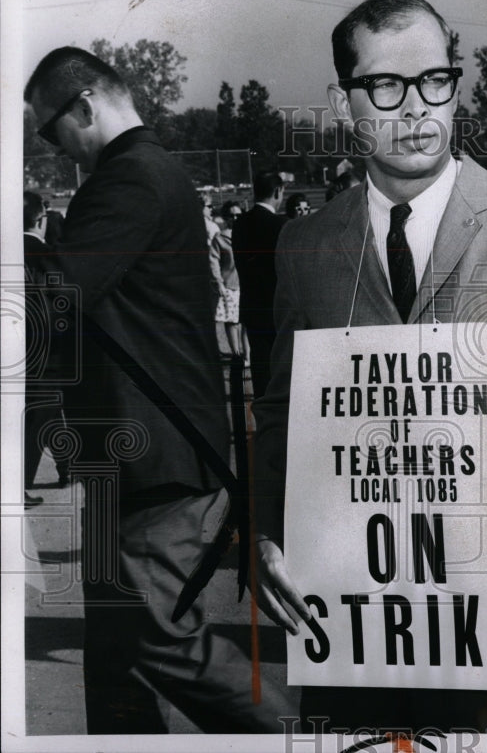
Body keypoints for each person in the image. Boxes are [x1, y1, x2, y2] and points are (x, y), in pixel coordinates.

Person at [252, 0, 487, 731]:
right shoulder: (304, 247)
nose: (416, 108)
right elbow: (279, 413)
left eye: (435, 81)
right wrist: (266, 530)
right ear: (343, 101)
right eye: (385, 87)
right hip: (350, 623)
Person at [24, 46, 294, 733]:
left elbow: (56, 298)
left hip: (155, 462)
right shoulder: (145, 174)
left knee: (159, 639)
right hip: (134, 457)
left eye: (49, 131)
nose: (53, 150)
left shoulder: (131, 179)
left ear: (83, 106)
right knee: (117, 659)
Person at [22, 191, 72, 504]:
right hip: (46, 347)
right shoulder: (45, 256)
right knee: (40, 413)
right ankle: (18, 481)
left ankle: (66, 465)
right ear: (41, 219)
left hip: (20, 346)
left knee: (48, 410)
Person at [231, 170, 287, 397]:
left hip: (252, 306)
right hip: (277, 308)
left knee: (261, 370)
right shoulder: (281, 225)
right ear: (277, 191)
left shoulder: (240, 224)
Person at [210, 200, 248, 358]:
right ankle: (236, 353)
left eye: (238, 215)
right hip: (230, 286)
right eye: (231, 215)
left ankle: (248, 355)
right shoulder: (219, 239)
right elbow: (213, 262)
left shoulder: (248, 234)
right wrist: (219, 283)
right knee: (232, 321)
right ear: (226, 218)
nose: (235, 218)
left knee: (245, 322)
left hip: (247, 284)